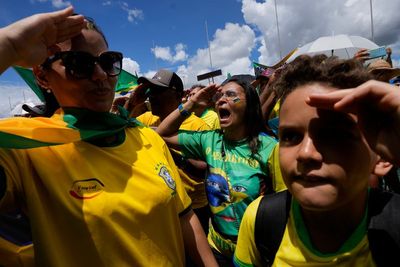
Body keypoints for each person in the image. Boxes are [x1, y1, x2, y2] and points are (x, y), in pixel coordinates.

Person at [0, 7, 217, 267]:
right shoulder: (26, 148)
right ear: (41, 75)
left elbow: (183, 215)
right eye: (79, 64)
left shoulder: (145, 137)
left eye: (108, 62)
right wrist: (9, 45)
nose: (100, 75)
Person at [234, 55, 400, 266]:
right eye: (291, 136)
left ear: (383, 157)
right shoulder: (260, 218)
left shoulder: (395, 227)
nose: (305, 153)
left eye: (334, 136)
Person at [156, 75, 286, 266]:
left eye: (231, 95)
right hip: (217, 249)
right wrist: (191, 103)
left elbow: (284, 205)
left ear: (249, 105)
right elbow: (163, 133)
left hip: (255, 251)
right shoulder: (209, 139)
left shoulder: (270, 148)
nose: (222, 100)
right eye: (219, 96)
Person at [130, 70, 212, 234]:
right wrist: (132, 104)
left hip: (193, 208)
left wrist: (161, 142)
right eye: (149, 91)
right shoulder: (146, 119)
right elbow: (118, 128)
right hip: (162, 206)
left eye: (158, 91)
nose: (152, 96)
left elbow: (204, 169)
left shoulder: (198, 126)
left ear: (178, 96)